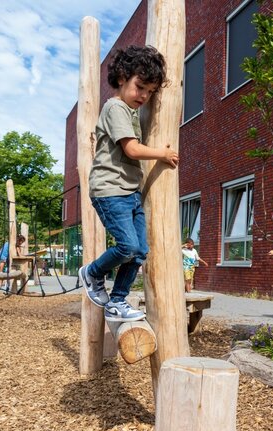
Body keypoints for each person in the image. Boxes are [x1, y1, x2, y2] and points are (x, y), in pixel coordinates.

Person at [78, 45, 179, 323]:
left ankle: (118, 300)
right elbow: (132, 150)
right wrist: (162, 153)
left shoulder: (131, 111)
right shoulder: (115, 107)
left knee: (139, 252)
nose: (144, 96)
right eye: (140, 87)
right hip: (110, 190)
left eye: (150, 92)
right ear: (122, 77)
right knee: (127, 246)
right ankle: (92, 273)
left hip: (130, 191)